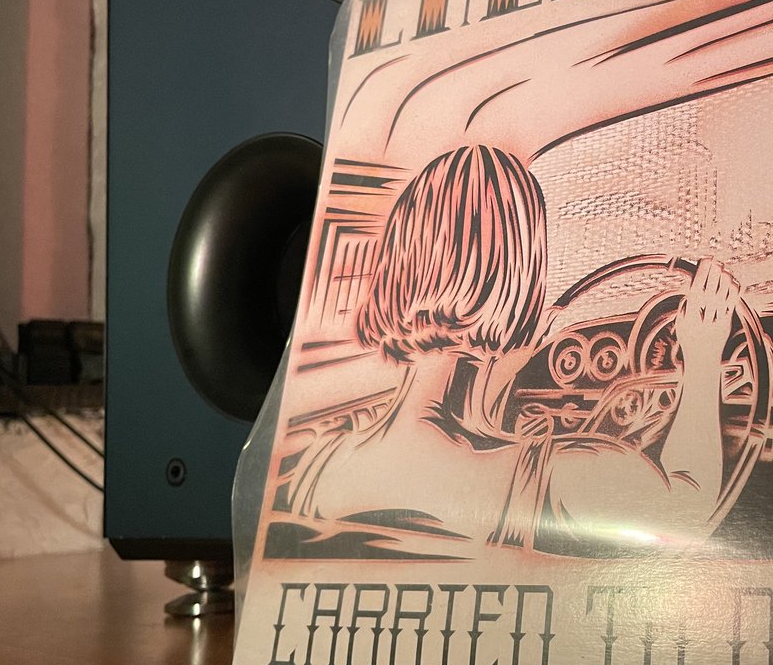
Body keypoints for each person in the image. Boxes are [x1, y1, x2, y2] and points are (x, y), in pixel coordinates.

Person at [284, 144, 741, 556]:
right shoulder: (556, 477)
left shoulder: (317, 466)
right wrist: (703, 358)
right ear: (520, 280)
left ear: (396, 267)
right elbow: (687, 512)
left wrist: (514, 356)